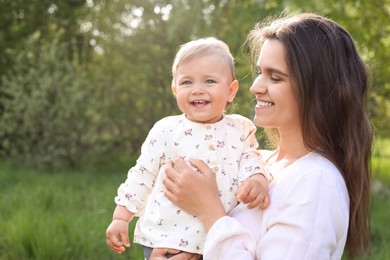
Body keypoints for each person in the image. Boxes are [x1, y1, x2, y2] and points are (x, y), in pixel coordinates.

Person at [153, 12, 373, 260]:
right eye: (259, 72)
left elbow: (220, 228)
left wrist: (208, 209)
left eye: (275, 77)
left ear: (317, 90)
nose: (255, 86)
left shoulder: (317, 183)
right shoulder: (258, 163)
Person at [105, 37, 273, 259]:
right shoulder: (167, 130)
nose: (197, 90)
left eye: (209, 81)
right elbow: (142, 173)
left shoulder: (240, 128)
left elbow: (251, 159)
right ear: (175, 90)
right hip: (168, 239)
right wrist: (121, 217)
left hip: (218, 238)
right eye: (186, 83)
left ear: (231, 91)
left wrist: (257, 179)